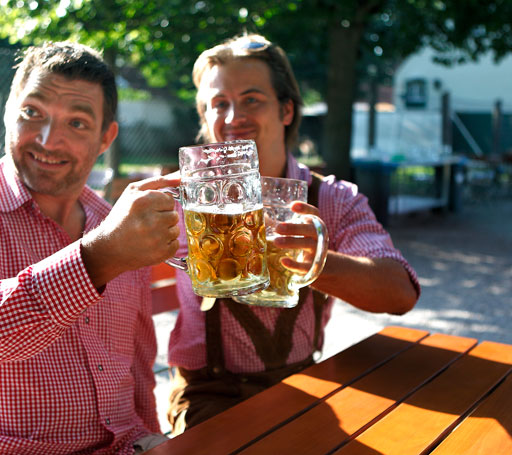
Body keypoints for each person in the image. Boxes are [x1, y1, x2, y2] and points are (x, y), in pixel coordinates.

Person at [0, 42, 180, 455]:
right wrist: (96, 259)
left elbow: (137, 367)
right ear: (9, 110)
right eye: (32, 112)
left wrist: (154, 447)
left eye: (77, 122)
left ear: (107, 137)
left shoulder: (118, 225)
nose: (49, 139)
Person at [167, 33, 421, 434]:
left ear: (286, 110)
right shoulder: (186, 199)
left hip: (303, 385)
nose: (234, 118)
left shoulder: (331, 198)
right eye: (219, 104)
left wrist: (319, 262)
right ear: (204, 117)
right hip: (207, 397)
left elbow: (400, 292)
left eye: (252, 99)